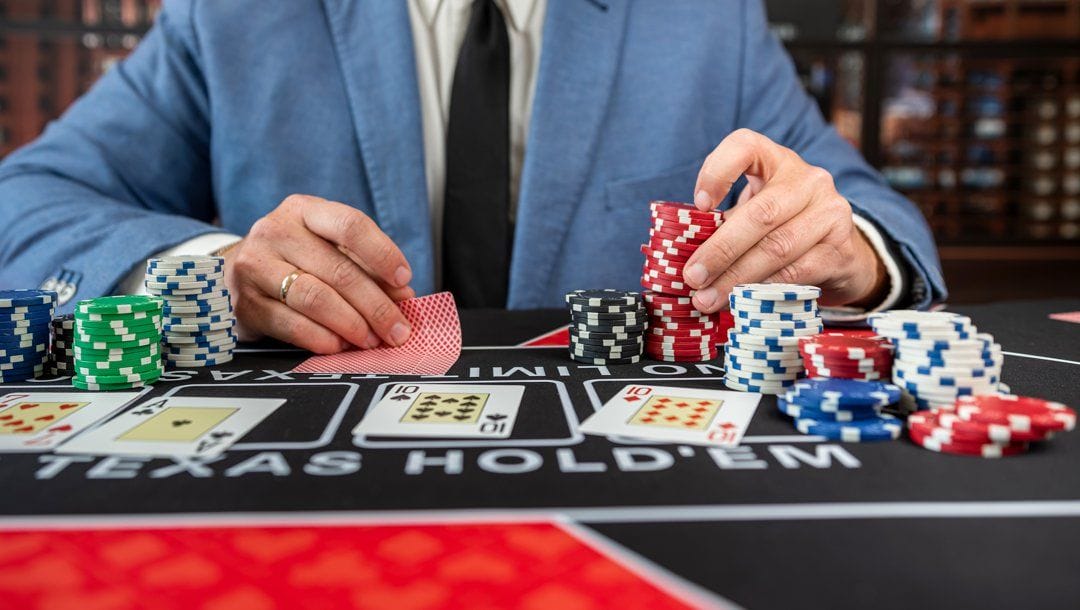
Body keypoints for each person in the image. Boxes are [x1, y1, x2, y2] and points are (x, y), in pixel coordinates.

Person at [0, 0, 943, 354]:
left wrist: (845, 248)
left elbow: (880, 218)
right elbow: (24, 205)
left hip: (629, 476)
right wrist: (220, 270)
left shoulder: (704, 20)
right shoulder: (234, 16)